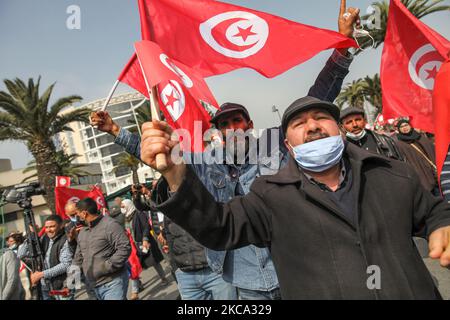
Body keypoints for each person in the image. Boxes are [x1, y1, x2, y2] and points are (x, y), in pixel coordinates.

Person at [141, 96, 450, 300]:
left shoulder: (392, 174)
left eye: (320, 118)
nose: (312, 125)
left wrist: (442, 224)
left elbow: (434, 212)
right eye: (299, 124)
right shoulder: (269, 195)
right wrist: (174, 174)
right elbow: (219, 226)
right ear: (287, 145)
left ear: (339, 131)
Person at [72, 198, 131, 300]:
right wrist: (70, 282)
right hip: (94, 286)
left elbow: (124, 247)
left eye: (77, 214)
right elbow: (78, 258)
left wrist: (107, 266)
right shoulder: (83, 232)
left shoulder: (110, 225)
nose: (76, 218)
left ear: (84, 213)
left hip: (113, 282)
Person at [120, 198, 169, 300]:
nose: (121, 208)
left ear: (128, 205)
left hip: (143, 242)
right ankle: (135, 291)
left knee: (153, 262)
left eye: (123, 206)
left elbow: (146, 226)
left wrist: (145, 239)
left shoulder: (138, 214)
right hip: (133, 246)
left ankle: (163, 277)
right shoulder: (125, 218)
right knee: (135, 267)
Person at [17, 215, 74, 300]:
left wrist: (41, 274)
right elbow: (21, 254)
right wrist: (31, 235)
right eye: (46, 227)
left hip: (62, 286)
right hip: (45, 288)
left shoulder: (65, 240)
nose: (48, 230)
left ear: (61, 225)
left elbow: (66, 265)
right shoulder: (44, 238)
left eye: (52, 226)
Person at [339, 107, 404, 160]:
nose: (355, 125)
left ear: (364, 121)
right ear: (342, 127)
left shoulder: (385, 141)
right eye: (349, 122)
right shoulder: (340, 149)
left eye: (358, 120)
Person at [395, 119, 439, 196]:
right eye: (401, 127)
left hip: (433, 171)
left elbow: (431, 150)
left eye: (406, 125)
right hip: (420, 172)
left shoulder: (420, 137)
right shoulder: (399, 144)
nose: (404, 128)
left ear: (410, 126)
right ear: (399, 129)